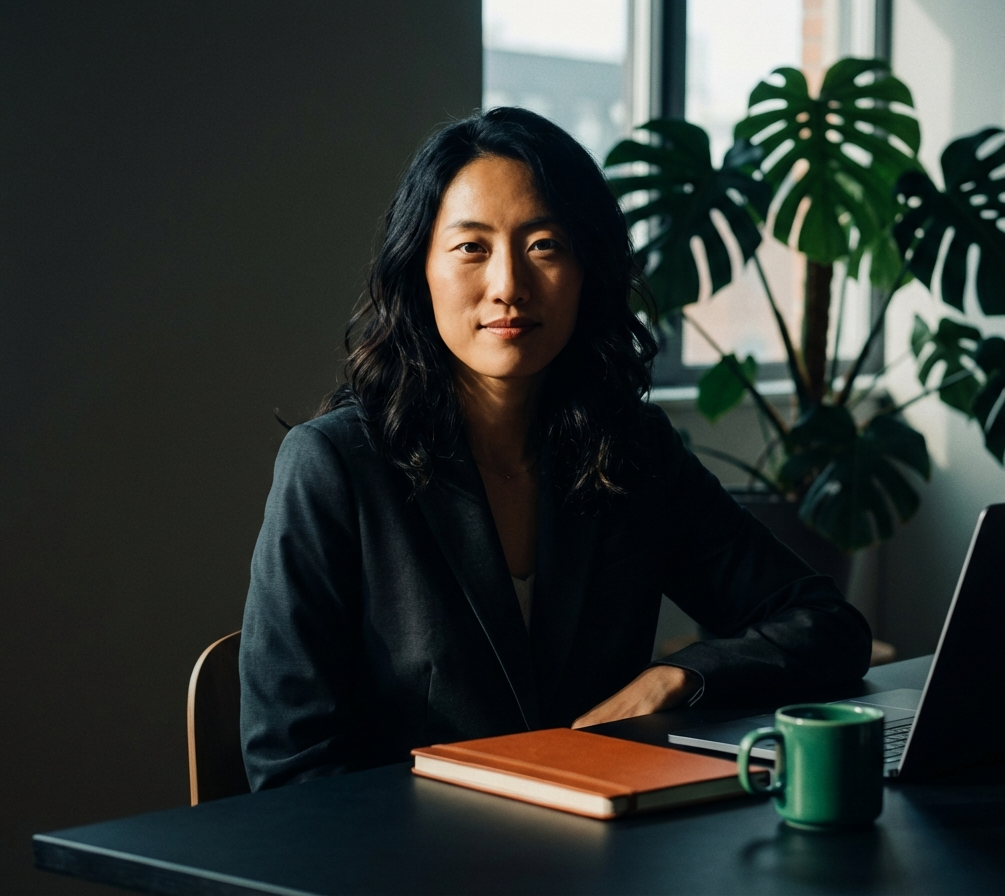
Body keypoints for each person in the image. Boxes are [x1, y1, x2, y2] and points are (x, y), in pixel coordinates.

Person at [239, 107, 871, 790]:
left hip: (604, 853)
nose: (509, 284)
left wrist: (679, 677)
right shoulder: (332, 467)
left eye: (544, 245)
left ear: (585, 270)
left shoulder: (632, 451)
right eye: (471, 248)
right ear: (419, 266)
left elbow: (824, 624)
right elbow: (291, 766)